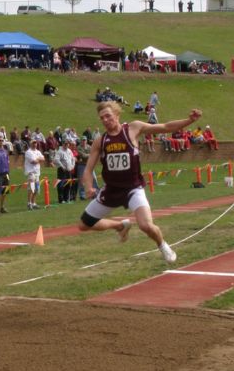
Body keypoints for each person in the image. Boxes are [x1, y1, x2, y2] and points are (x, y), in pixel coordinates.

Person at [79, 100, 201, 263]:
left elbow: (165, 127)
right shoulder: (100, 141)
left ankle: (163, 245)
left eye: (108, 116)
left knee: (145, 225)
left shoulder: (133, 128)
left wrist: (190, 120)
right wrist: (88, 187)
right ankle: (119, 226)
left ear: (117, 115)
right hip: (111, 190)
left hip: (132, 189)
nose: (105, 120)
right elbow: (88, 170)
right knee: (83, 225)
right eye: (102, 118)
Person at [24, 139, 44, 210]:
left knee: (36, 189)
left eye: (36, 143)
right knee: (31, 188)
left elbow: (43, 159)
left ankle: (33, 203)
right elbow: (33, 161)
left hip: (37, 173)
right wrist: (39, 159)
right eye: (33, 143)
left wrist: (38, 159)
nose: (35, 144)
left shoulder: (38, 151)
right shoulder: (28, 152)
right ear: (31, 144)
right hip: (31, 172)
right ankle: (29, 203)